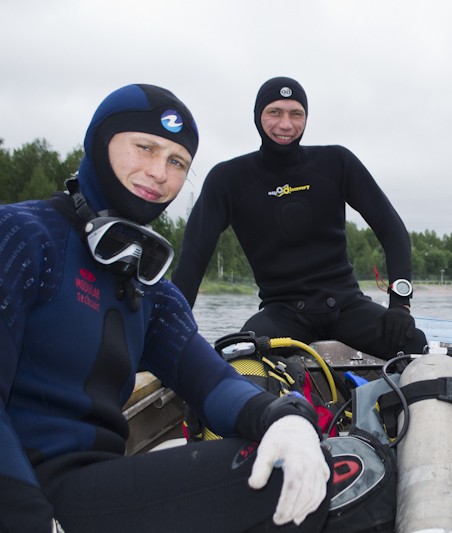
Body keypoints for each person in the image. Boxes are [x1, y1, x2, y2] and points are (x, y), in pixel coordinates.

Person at [0, 84, 331, 533]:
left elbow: (212, 383)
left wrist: (285, 419)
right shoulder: (22, 235)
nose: (159, 172)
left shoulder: (148, 285)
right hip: (25, 489)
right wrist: (27, 519)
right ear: (100, 142)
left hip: (91, 486)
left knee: (303, 463)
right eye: (145, 148)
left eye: (177, 162)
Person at [172, 76, 427, 359]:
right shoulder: (229, 179)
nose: (286, 124)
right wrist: (171, 327)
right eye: (275, 112)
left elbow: (392, 230)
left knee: (413, 342)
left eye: (296, 114)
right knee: (244, 354)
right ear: (258, 117)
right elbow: (193, 258)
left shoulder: (336, 162)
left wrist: (399, 304)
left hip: (346, 305)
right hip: (282, 312)